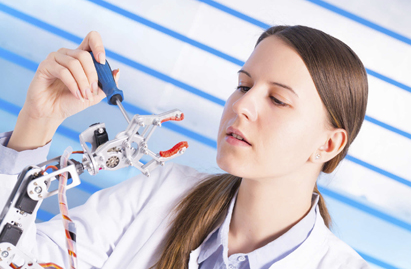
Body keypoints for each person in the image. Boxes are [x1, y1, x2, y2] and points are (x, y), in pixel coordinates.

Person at [0, 25, 370, 268]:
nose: (241, 105)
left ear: (329, 143)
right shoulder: (161, 193)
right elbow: (14, 257)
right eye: (243, 85)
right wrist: (38, 120)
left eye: (277, 100)